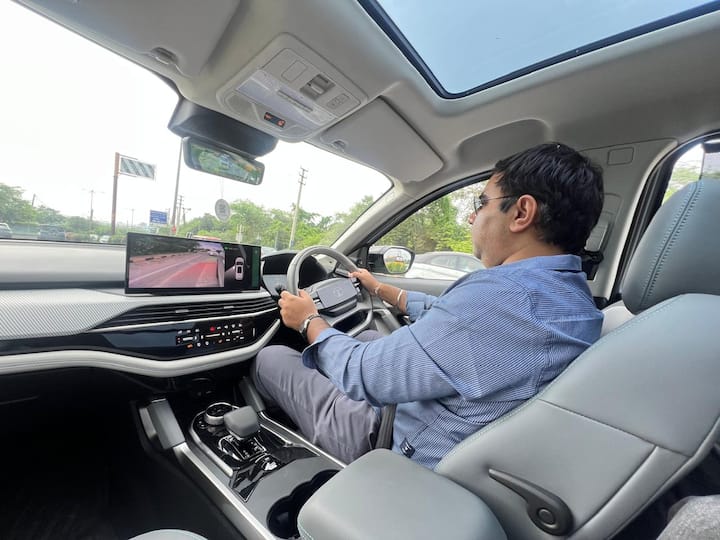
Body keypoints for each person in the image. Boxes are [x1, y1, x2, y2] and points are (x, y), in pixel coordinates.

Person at [253, 142, 605, 469]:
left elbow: (361, 375)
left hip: (387, 441)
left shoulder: (500, 297)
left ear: (521, 212)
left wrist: (308, 321)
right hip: (459, 433)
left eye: (481, 204)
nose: (472, 218)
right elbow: (454, 320)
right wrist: (383, 290)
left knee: (271, 358)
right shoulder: (573, 301)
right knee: (368, 338)